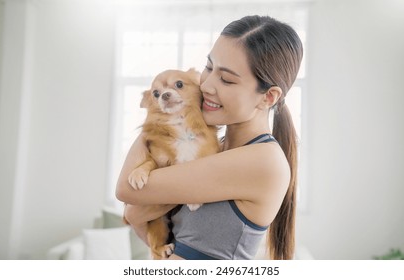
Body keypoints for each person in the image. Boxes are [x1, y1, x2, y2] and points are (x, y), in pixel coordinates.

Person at [116, 15, 303, 260]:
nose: (205, 85)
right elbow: (133, 214)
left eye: (226, 79)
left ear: (268, 97)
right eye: (209, 67)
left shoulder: (262, 160)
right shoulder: (216, 148)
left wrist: (159, 118)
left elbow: (127, 190)